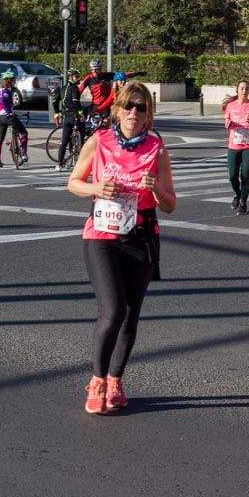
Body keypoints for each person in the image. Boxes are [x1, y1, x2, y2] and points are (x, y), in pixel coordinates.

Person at [67, 81, 177, 415]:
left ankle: (116, 379)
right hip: (101, 234)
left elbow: (170, 204)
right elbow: (73, 182)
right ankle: (97, 379)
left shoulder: (157, 148)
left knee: (131, 313)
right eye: (128, 105)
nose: (133, 112)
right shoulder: (99, 141)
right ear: (117, 109)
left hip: (140, 235)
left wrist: (156, 187)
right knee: (112, 310)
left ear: (149, 114)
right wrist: (96, 187)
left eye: (140, 107)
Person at [222, 80, 249, 215]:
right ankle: (237, 194)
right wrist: (228, 124)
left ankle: (243, 202)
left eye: (246, 88)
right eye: (241, 88)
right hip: (234, 145)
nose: (244, 90)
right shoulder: (230, 105)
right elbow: (226, 122)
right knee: (233, 175)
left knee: (245, 175)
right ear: (237, 90)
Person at [48, 69, 85, 170]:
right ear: (71, 77)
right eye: (76, 76)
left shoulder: (63, 88)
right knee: (82, 136)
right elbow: (76, 103)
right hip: (74, 116)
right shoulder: (74, 89)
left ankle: (59, 164)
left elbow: (54, 101)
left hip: (66, 117)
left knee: (64, 141)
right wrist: (81, 114)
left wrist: (56, 112)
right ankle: (79, 160)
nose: (78, 78)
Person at [0, 70, 28, 169]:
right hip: (7, 116)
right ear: (9, 81)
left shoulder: (0, 91)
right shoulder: (6, 92)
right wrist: (9, 112)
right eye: (13, 80)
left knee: (0, 139)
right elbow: (5, 103)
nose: (15, 81)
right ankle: (24, 153)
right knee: (24, 132)